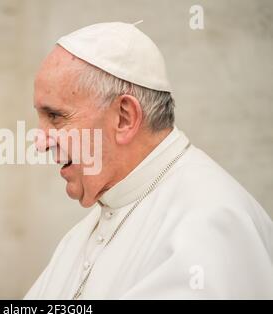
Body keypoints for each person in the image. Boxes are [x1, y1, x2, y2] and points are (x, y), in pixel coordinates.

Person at [24, 22, 273, 299]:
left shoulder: (212, 223)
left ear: (124, 118)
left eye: (55, 117)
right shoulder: (83, 232)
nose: (40, 142)